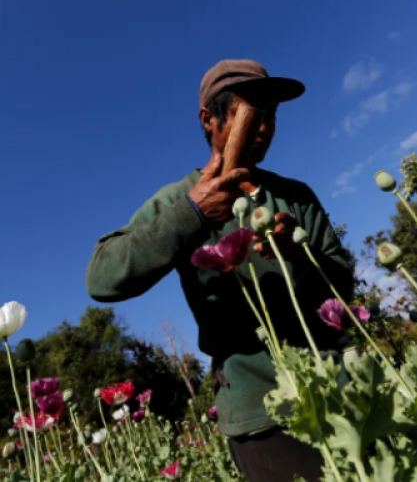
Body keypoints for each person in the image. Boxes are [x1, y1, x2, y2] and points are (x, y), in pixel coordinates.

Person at [85, 59, 355, 482]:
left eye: (272, 114)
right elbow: (101, 277)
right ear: (209, 119)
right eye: (251, 112)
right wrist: (193, 214)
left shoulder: (295, 197)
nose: (264, 126)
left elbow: (343, 287)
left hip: (336, 391)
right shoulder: (180, 199)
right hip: (261, 415)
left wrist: (296, 258)